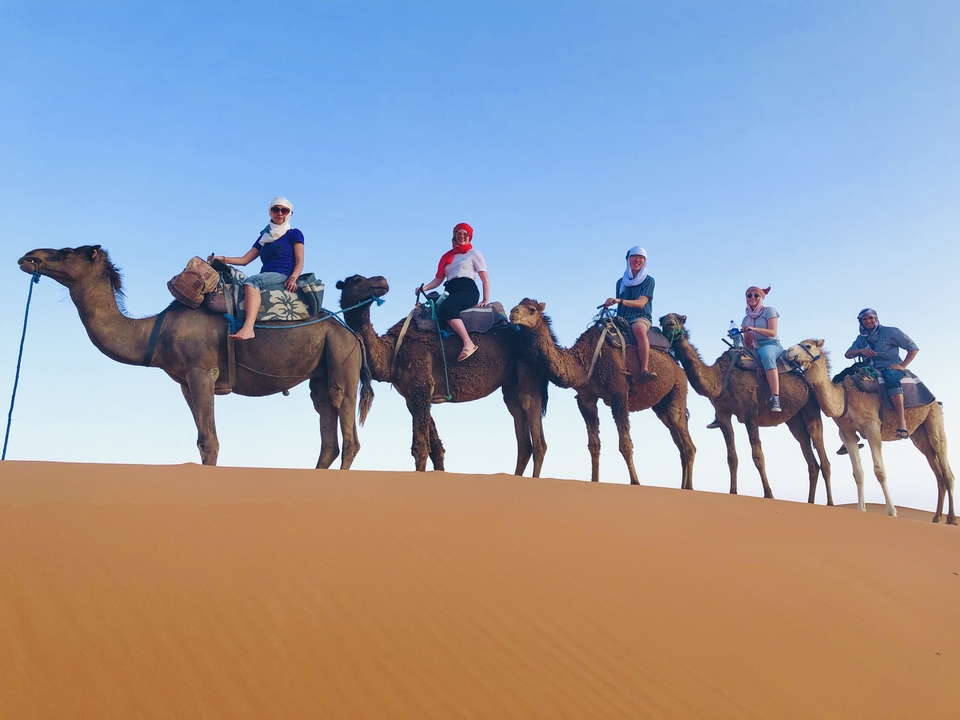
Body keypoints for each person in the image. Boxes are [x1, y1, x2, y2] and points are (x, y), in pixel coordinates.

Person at [209, 197, 304, 340]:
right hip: (266, 276)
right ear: (270, 212)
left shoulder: (294, 234)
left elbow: (299, 262)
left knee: (251, 282)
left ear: (289, 213)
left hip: (282, 273)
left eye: (284, 210)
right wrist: (221, 259)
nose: (280, 213)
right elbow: (244, 260)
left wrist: (293, 278)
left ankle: (248, 328)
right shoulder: (265, 237)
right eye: (276, 209)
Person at [417, 222, 490, 362]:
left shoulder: (474, 253)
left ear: (469, 236)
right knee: (434, 312)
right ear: (454, 236)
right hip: (450, 290)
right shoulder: (447, 257)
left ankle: (468, 343)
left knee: (447, 308)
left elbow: (485, 278)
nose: (462, 236)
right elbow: (438, 279)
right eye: (459, 234)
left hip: (467, 289)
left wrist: (486, 299)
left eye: (465, 234)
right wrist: (423, 288)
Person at [844, 308, 919, 439]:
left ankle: (902, 422)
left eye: (871, 318)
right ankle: (848, 429)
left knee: (890, 379)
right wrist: (861, 350)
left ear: (876, 318)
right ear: (861, 322)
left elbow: (913, 348)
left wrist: (902, 366)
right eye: (865, 319)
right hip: (870, 369)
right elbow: (848, 354)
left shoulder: (891, 332)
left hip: (890, 367)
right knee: (848, 380)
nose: (868, 321)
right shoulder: (861, 339)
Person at [604, 246, 657, 383]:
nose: (637, 260)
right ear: (628, 259)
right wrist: (611, 302)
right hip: (622, 317)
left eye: (641, 257)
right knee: (600, 330)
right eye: (634, 256)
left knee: (639, 329)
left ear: (645, 261)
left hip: (640, 316)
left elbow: (641, 303)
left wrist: (619, 300)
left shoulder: (648, 280)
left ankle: (644, 370)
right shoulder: (620, 282)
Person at [741, 285, 783, 412]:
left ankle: (775, 397)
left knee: (767, 355)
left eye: (756, 295)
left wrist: (754, 329)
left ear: (761, 298)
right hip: (754, 349)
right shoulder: (745, 319)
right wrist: (742, 335)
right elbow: (747, 344)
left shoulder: (769, 311)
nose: (752, 297)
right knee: (735, 360)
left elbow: (772, 332)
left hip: (770, 345)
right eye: (749, 295)